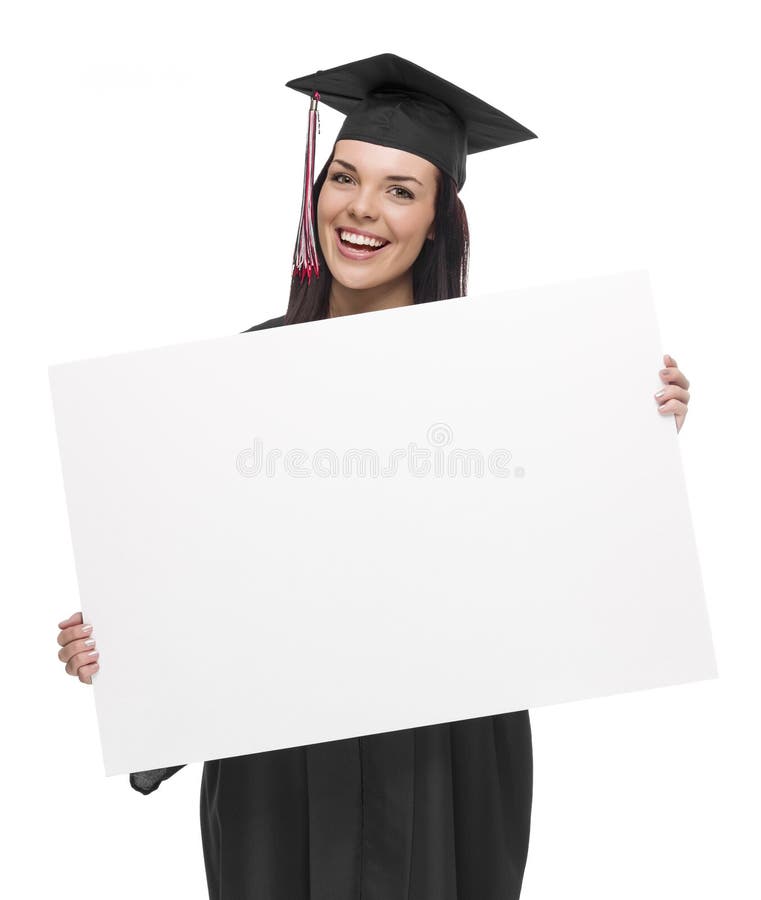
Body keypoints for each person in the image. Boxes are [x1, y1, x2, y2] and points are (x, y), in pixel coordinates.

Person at [56, 53, 692, 900]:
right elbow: (192, 578)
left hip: (446, 748)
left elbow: (564, 554)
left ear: (437, 222)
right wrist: (119, 655)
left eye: (400, 189)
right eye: (344, 179)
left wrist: (633, 436)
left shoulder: (508, 379)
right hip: (277, 756)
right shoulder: (232, 380)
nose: (361, 209)